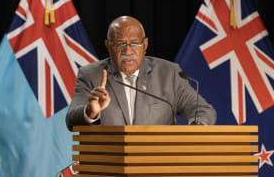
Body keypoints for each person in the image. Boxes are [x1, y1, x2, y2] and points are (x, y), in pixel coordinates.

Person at [66, 16, 216, 131]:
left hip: (158, 165)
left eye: (134, 43)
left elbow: (202, 110)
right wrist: (90, 111)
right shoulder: (91, 75)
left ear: (145, 45)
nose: (127, 51)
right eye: (120, 44)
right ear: (108, 46)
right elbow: (71, 120)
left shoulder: (169, 74)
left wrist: (197, 128)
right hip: (109, 165)